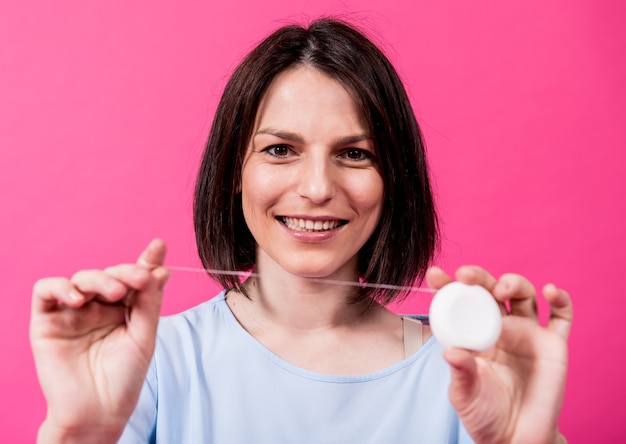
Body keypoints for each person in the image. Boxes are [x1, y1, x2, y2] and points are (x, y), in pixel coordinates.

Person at [30, 18, 573, 443]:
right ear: (234, 173)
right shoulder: (149, 362)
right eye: (280, 150)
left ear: (394, 182)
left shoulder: (467, 374)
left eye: (354, 154)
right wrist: (76, 437)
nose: (316, 187)